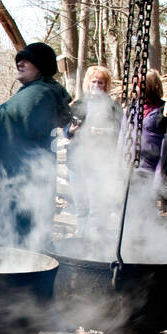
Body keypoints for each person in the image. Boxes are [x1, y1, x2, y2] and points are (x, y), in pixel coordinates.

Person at [0, 42, 71, 252]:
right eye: (18, 60)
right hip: (23, 183)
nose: (20, 63)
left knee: (9, 244)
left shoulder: (38, 94)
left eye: (26, 60)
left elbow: (5, 122)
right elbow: (10, 121)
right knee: (22, 242)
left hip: (16, 185)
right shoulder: (38, 92)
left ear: (41, 65)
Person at [65, 65, 125, 235]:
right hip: (77, 163)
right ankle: (82, 241)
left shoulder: (113, 107)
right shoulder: (78, 104)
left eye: (100, 83)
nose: (96, 86)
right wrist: (71, 130)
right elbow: (66, 129)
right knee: (81, 208)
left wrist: (106, 133)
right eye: (94, 82)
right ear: (87, 83)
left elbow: (121, 132)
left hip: (98, 164)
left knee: (96, 209)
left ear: (106, 86)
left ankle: (94, 244)